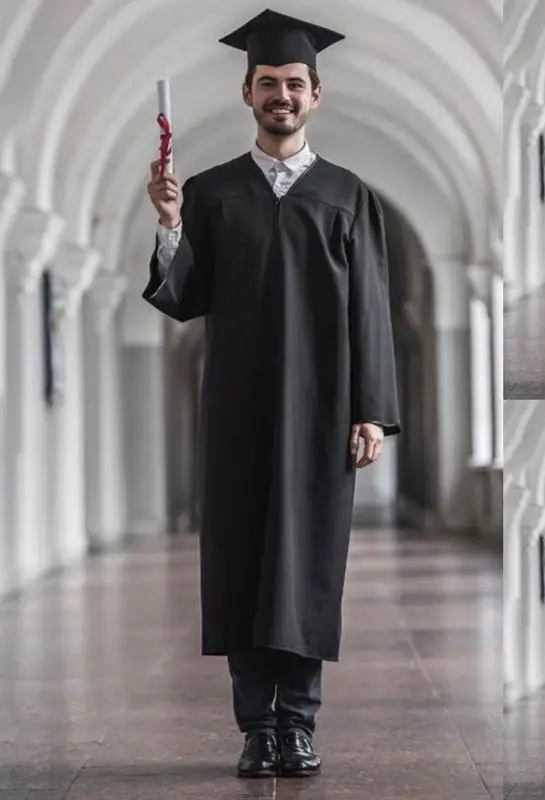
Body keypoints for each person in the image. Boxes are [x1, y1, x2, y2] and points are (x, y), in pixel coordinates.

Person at [144, 8, 401, 780]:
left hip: (324, 413)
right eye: (268, 84)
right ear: (246, 92)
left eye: (294, 83)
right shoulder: (212, 193)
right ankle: (256, 728)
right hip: (238, 408)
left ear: (317, 94)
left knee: (309, 566)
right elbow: (181, 295)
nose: (281, 95)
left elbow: (373, 311)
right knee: (242, 562)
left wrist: (372, 410)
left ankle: (300, 723)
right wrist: (167, 225)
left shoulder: (349, 196)